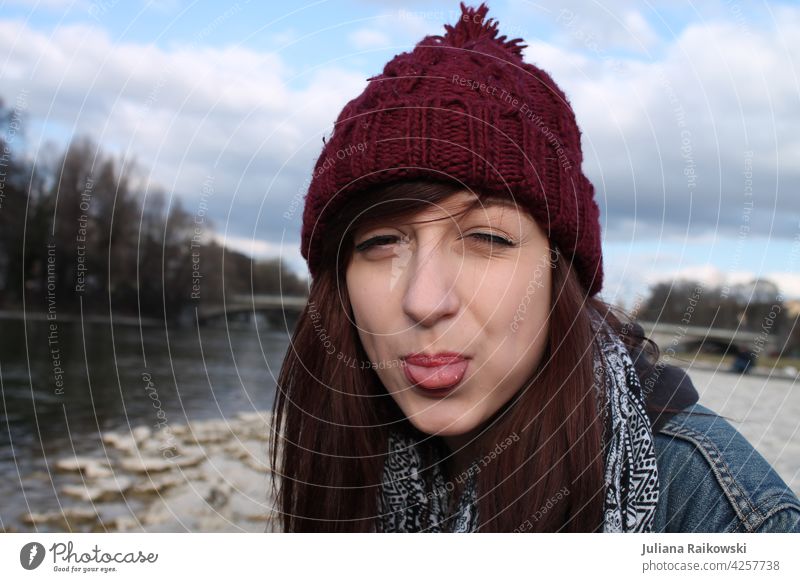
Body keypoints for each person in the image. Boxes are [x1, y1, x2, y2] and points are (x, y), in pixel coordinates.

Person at [269, 2, 800, 533]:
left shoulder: (730, 523)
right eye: (382, 241)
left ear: (560, 275)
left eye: (487, 238)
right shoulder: (343, 455)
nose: (424, 300)